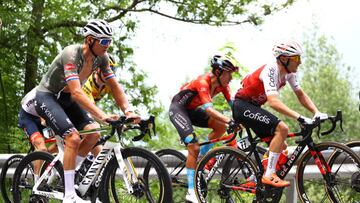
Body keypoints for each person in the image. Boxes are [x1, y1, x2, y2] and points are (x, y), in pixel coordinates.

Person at [34, 19, 120, 203]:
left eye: (110, 41)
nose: (108, 45)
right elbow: (77, 92)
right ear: (90, 40)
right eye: (104, 41)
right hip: (48, 96)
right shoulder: (71, 54)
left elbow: (114, 86)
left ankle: (67, 180)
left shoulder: (102, 58)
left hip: (66, 99)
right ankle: (69, 195)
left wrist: (128, 110)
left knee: (94, 133)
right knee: (72, 138)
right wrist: (102, 115)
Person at [232, 40, 327, 187]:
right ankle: (269, 174)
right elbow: (273, 102)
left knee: (281, 148)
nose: (300, 62)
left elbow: (300, 95)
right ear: (284, 59)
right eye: (296, 58)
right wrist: (300, 117)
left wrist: (316, 112)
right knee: (282, 128)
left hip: (253, 106)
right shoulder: (271, 69)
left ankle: (254, 180)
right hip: (241, 106)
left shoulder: (289, 73)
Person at [169, 55, 238, 203]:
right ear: (218, 72)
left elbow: (234, 105)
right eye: (229, 73)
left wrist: (244, 118)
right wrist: (229, 120)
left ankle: (202, 159)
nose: (231, 78)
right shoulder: (202, 82)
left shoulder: (223, 86)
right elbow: (209, 110)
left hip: (192, 111)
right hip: (178, 110)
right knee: (193, 147)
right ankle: (191, 192)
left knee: (220, 127)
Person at [18, 88, 58, 180]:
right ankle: (37, 180)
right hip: (27, 117)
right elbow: (42, 114)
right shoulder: (44, 90)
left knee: (63, 141)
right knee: (41, 146)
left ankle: (44, 158)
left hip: (41, 116)